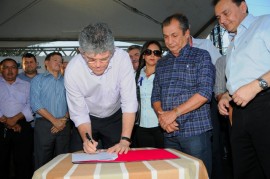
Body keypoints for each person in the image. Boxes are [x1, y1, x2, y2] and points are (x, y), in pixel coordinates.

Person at [151, 13, 215, 175]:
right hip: (168, 132)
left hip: (195, 132)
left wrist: (174, 113)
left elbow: (205, 92)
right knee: (172, 175)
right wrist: (162, 117)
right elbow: (155, 96)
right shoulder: (162, 63)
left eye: (174, 35)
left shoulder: (201, 56)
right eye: (165, 37)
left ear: (187, 34)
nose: (169, 41)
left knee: (198, 174)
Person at [214, 0, 270, 178]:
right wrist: (226, 97)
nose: (222, 20)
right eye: (218, 17)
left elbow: (251, 84)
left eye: (226, 13)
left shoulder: (265, 22)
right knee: (244, 171)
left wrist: (256, 86)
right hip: (238, 113)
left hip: (265, 105)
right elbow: (237, 80)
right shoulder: (232, 43)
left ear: (243, 6)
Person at [64, 23, 137, 154]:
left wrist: (125, 140)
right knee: (80, 158)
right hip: (88, 117)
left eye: (104, 59)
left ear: (112, 51)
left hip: (115, 118)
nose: (98, 65)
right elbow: (79, 113)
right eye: (91, 59)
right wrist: (87, 140)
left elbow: (129, 101)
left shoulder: (122, 59)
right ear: (82, 52)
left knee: (120, 159)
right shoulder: (73, 70)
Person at [189, 34, 224, 179]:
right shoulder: (174, 51)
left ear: (187, 31)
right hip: (189, 104)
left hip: (209, 100)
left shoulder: (206, 44)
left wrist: (219, 93)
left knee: (214, 144)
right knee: (198, 147)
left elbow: (221, 65)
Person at [30, 52, 70, 170]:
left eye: (60, 60)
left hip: (64, 124)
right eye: (55, 60)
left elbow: (73, 103)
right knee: (42, 159)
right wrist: (54, 121)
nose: (59, 63)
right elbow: (35, 104)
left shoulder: (67, 80)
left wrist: (63, 120)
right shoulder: (38, 79)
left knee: (63, 160)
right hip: (44, 124)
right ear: (46, 63)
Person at [0, 58, 34, 179]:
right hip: (1, 125)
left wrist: (15, 119)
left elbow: (31, 105)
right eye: (6, 67)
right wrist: (5, 119)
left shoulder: (26, 85)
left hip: (22, 125)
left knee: (23, 161)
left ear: (17, 69)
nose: (10, 70)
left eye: (13, 67)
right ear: (1, 70)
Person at [135, 40, 164, 148]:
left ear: (160, 56)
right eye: (148, 52)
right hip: (141, 126)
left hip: (160, 126)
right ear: (143, 55)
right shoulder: (136, 75)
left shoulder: (164, 75)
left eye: (156, 53)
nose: (152, 55)